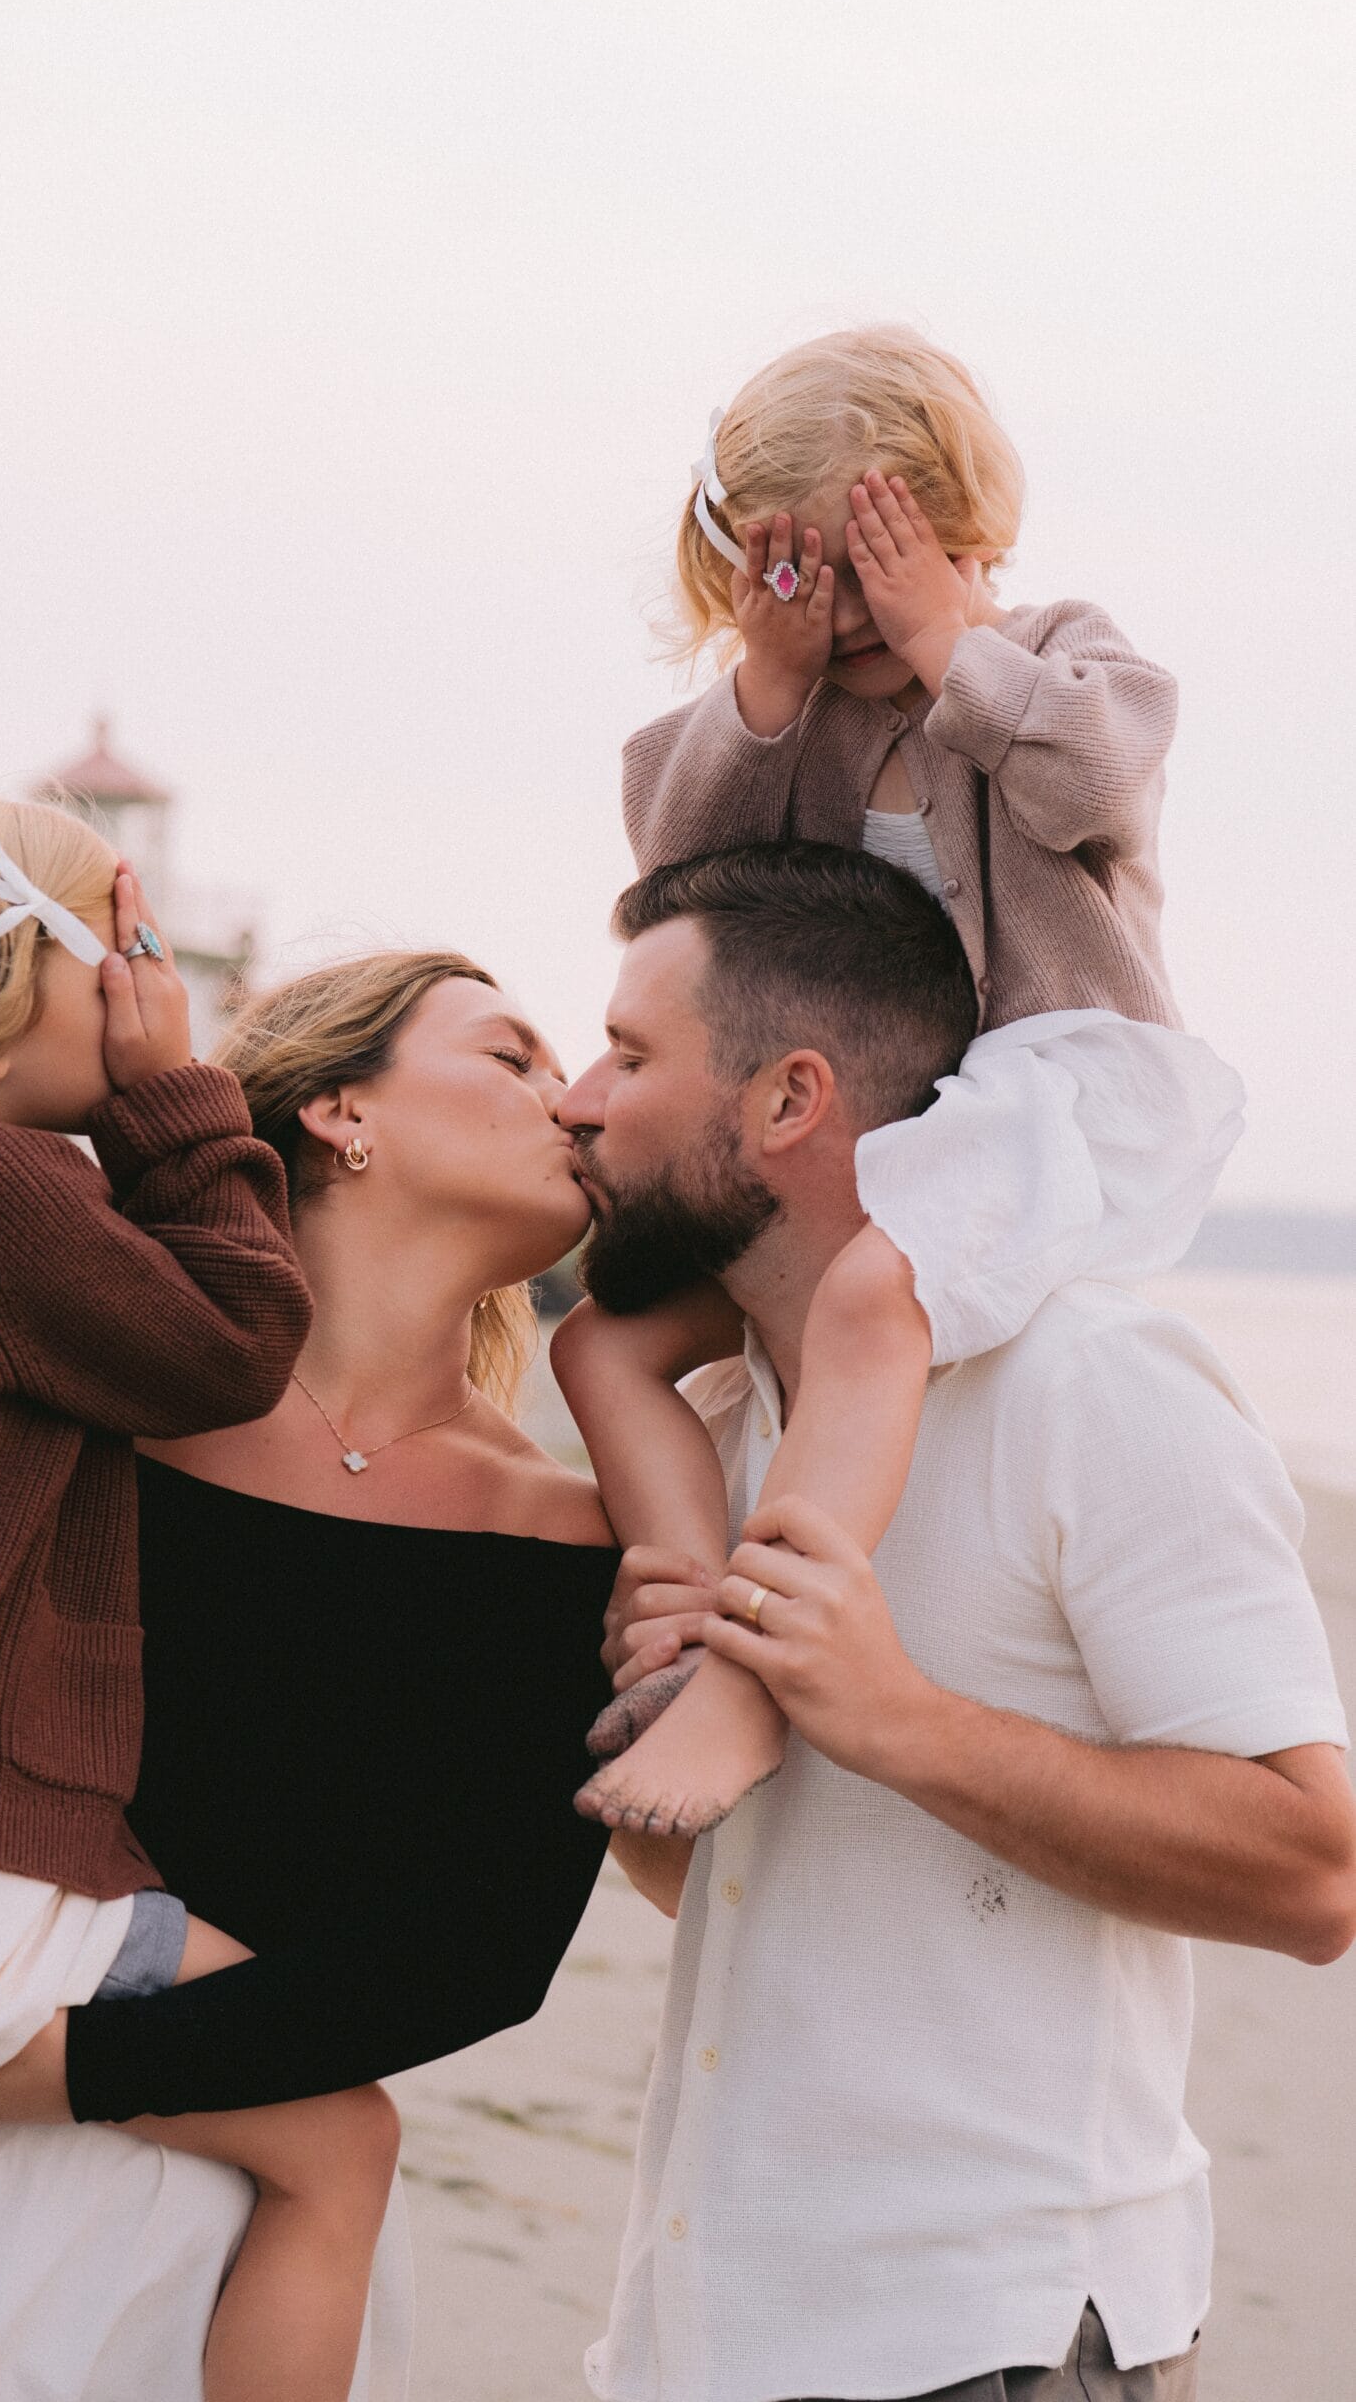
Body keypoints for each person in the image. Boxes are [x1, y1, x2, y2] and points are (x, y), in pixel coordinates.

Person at [0, 946, 617, 2402]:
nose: (578, 1101)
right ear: (343, 1110)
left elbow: (472, 1959)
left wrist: (63, 2076)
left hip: (209, 2223)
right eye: (516, 1057)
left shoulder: (556, 1528)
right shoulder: (73, 1385)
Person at [561, 840, 1355, 2401]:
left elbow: (1316, 1871)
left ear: (790, 1101)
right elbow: (734, 1897)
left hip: (988, 2340)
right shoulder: (719, 1428)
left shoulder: (1095, 1385)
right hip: (704, 2323)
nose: (580, 1098)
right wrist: (655, 1726)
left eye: (630, 1053)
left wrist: (899, 1721)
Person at [554, 326, 1243, 1840]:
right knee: (607, 1342)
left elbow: (1103, 788)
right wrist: (767, 688)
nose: (853, 612)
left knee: (871, 1300)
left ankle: (750, 1678)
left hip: (1061, 1084)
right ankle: (678, 1604)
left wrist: (957, 650)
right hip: (886, 1120)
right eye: (811, 576)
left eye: (884, 567)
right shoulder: (791, 707)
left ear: (970, 537)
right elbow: (681, 885)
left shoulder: (1057, 654)